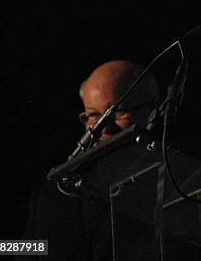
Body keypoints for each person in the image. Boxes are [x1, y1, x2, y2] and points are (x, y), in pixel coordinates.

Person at [21, 60, 160, 261]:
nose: (103, 128)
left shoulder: (175, 182)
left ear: (153, 111)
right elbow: (29, 249)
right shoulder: (58, 190)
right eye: (93, 116)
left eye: (118, 112)